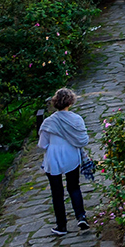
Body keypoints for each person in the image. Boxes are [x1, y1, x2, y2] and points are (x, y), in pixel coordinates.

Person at [39, 87, 91, 235]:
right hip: (71, 157)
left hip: (53, 158)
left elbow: (43, 144)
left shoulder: (49, 122)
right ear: (70, 102)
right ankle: (81, 216)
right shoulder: (77, 119)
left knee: (57, 193)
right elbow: (83, 140)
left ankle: (61, 226)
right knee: (74, 187)